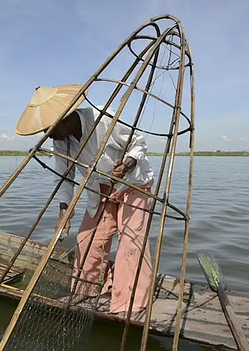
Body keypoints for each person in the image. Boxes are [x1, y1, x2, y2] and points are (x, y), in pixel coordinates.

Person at [15, 84, 154, 315]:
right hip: (101, 189)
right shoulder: (61, 140)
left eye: (50, 128)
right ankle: (87, 291)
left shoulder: (104, 118)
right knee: (86, 239)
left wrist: (127, 163)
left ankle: (130, 304)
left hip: (133, 184)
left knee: (131, 243)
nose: (47, 134)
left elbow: (139, 143)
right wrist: (64, 212)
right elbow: (64, 177)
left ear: (66, 119)